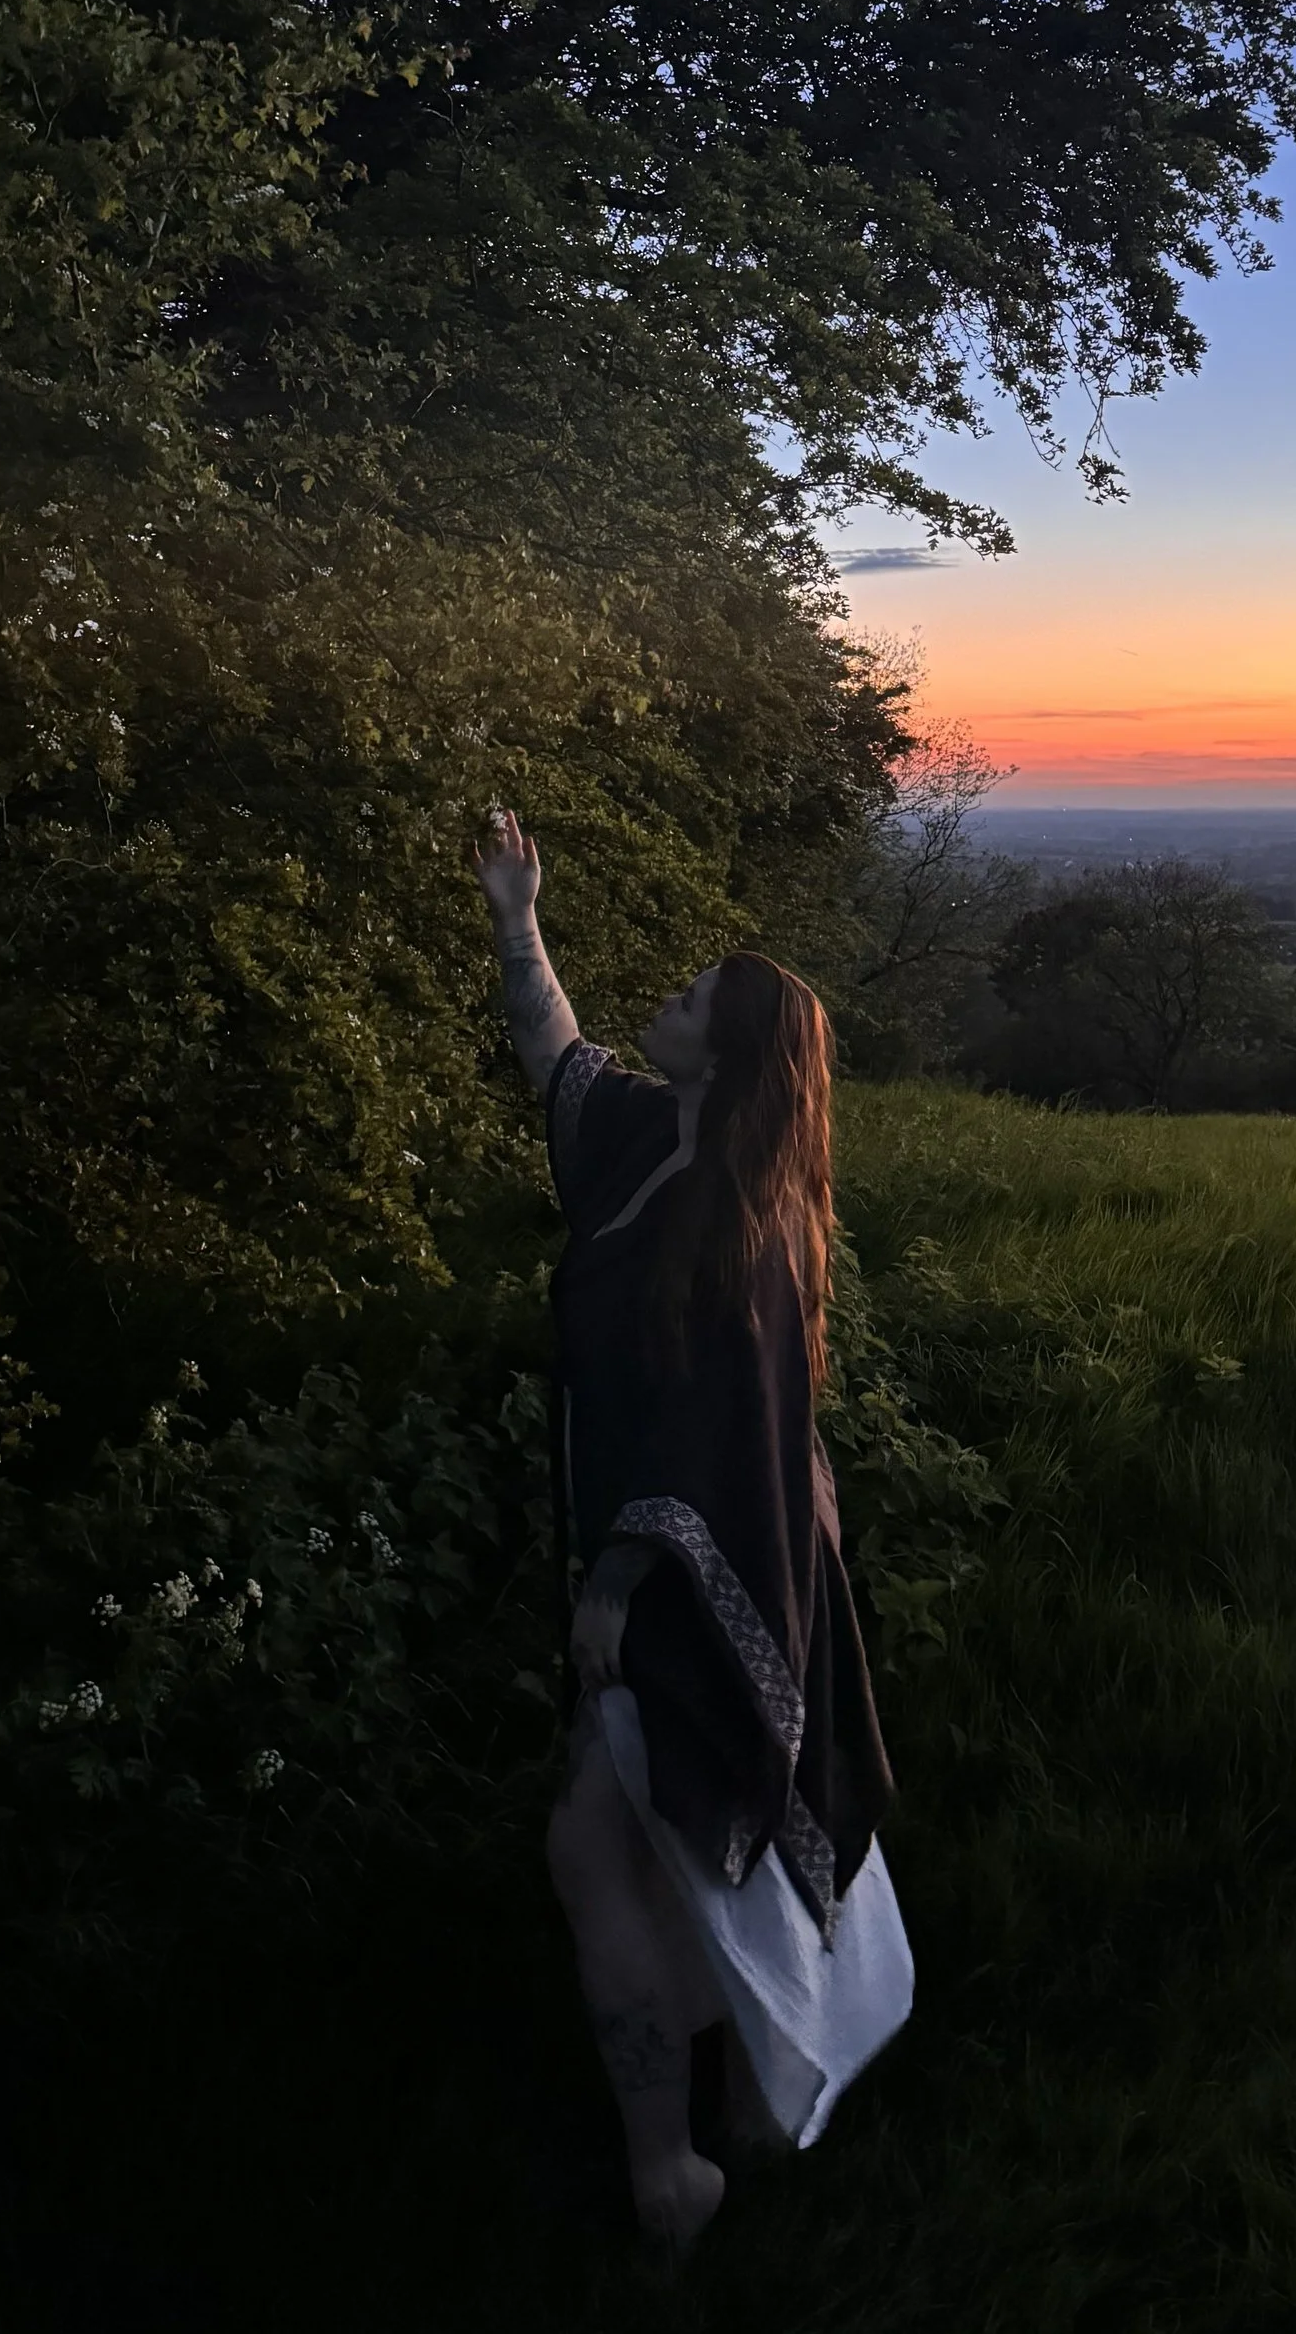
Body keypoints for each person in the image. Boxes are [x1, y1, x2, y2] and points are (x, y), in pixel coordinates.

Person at [474, 808, 913, 2253]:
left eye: (686, 1003)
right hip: (686, 1571)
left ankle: (671, 2172)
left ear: (722, 1056)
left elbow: (727, 1436)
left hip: (697, 1582)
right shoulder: (642, 1148)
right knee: (671, 1849)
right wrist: (514, 909)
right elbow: (554, 1050)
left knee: (595, 1846)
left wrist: (626, 1565)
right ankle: (727, 2111)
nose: (657, 1005)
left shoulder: (744, 1225)